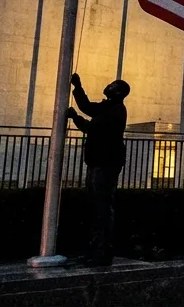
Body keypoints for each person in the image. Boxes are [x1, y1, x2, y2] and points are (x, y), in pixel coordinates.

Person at [66, 73, 130, 266]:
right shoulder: (108, 107)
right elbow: (87, 107)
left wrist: (75, 117)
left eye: (113, 85)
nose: (108, 85)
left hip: (105, 164)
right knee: (96, 208)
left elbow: (91, 127)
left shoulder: (116, 110)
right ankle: (96, 251)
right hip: (97, 163)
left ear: (119, 92)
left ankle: (101, 254)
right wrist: (77, 86)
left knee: (101, 209)